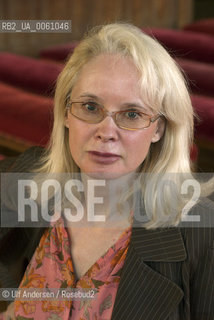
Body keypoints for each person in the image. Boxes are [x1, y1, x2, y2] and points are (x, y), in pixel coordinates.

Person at [0, 23, 214, 320]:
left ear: (159, 129)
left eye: (131, 114)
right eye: (90, 107)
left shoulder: (201, 233)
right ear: (65, 113)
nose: (106, 132)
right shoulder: (29, 176)